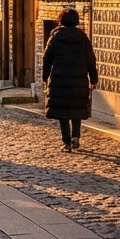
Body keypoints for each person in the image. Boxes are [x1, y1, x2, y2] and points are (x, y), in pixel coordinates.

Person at [42, 8, 98, 153]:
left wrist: (45, 77)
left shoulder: (55, 37)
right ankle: (76, 137)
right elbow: (90, 59)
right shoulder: (83, 37)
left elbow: (46, 58)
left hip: (60, 79)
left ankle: (66, 142)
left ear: (61, 20)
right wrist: (93, 78)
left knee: (63, 113)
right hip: (79, 79)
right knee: (76, 109)